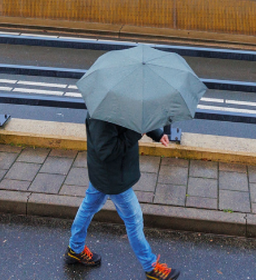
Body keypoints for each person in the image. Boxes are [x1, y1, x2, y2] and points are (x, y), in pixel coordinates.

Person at [65, 117, 179, 278]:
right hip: (112, 176)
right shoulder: (101, 118)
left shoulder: (117, 104)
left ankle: (75, 249)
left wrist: (157, 134)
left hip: (108, 172)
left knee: (89, 206)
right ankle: (151, 267)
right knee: (134, 219)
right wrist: (137, 133)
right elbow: (107, 151)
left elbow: (136, 116)